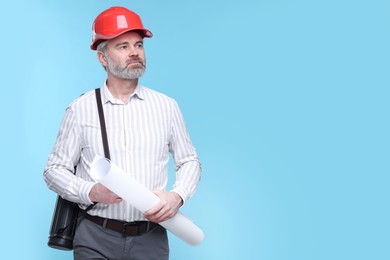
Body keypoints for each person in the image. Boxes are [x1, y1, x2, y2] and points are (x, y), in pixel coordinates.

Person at [44, 6, 201, 260]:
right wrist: (90, 191)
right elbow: (54, 170)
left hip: (151, 238)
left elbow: (189, 161)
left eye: (138, 45)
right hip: (96, 235)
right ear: (103, 58)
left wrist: (177, 196)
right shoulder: (80, 109)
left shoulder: (167, 107)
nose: (134, 53)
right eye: (123, 47)